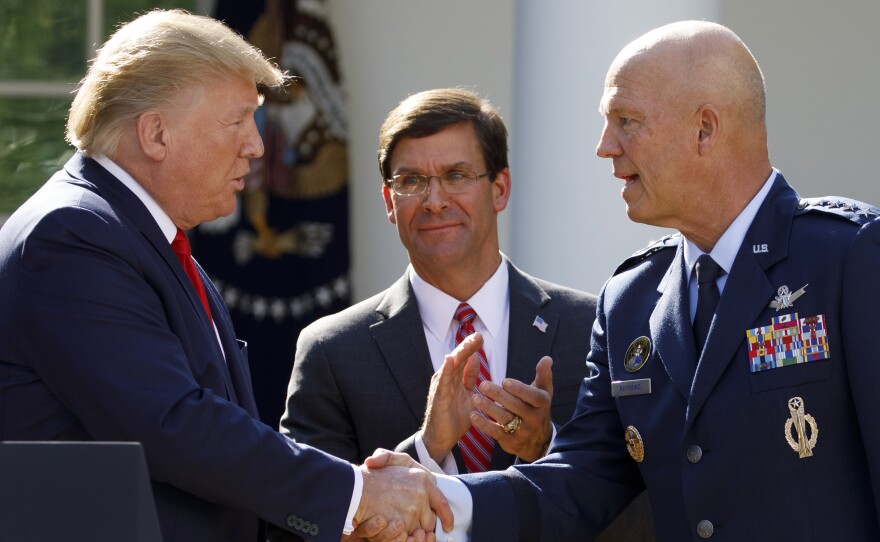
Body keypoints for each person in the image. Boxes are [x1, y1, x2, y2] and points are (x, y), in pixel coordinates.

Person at [370, 20, 880, 540]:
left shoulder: (849, 256)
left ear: (704, 128)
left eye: (627, 120)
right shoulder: (630, 299)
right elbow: (578, 479)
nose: (604, 146)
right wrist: (436, 494)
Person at [0, 10, 450, 542]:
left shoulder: (141, 238)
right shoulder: (73, 236)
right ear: (156, 134)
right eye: (237, 121)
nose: (257, 146)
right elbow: (174, 426)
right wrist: (356, 496)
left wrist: (379, 485)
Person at [279, 88, 653, 541]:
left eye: (456, 175)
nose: (434, 200)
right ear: (388, 201)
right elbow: (301, 524)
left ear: (500, 188)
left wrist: (546, 449)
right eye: (412, 180)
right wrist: (427, 449)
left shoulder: (593, 326)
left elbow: (646, 513)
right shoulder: (332, 351)